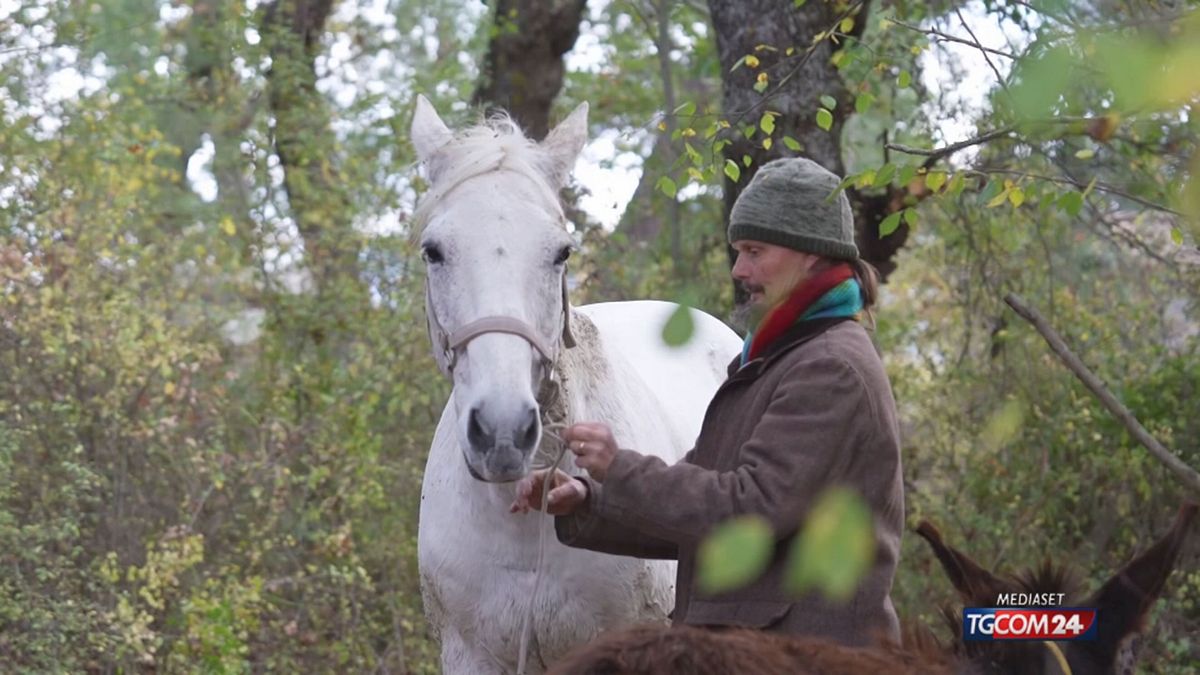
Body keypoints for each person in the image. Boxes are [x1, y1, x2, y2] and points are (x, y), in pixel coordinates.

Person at [510, 157, 904, 647]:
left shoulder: (829, 369)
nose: (740, 269)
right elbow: (700, 519)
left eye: (756, 251)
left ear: (812, 254)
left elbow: (750, 511)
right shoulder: (773, 361)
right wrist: (590, 500)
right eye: (739, 251)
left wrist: (619, 467)